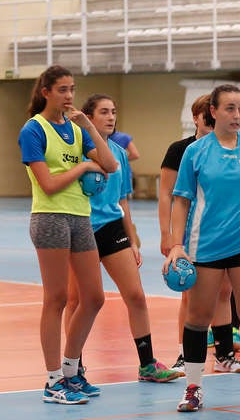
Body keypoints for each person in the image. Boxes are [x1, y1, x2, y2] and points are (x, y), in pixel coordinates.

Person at [163, 84, 240, 413]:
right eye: (230, 108)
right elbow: (181, 200)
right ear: (213, 112)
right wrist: (176, 244)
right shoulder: (196, 152)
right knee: (198, 317)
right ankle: (193, 389)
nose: (237, 115)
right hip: (204, 247)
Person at [17, 65, 118, 404]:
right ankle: (52, 381)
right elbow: (48, 184)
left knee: (94, 297)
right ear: (45, 92)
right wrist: (83, 166)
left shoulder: (76, 129)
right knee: (57, 299)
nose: (69, 96)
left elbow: (111, 164)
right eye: (62, 89)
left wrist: (87, 125)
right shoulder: (33, 130)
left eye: (72, 89)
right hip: (50, 218)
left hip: (80, 217)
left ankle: (71, 370)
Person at [64, 94, 181, 383]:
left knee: (136, 296)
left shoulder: (119, 153)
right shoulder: (76, 150)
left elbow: (122, 200)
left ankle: (147, 364)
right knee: (77, 301)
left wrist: (132, 239)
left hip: (112, 229)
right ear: (88, 118)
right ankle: (74, 365)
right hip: (81, 229)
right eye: (104, 112)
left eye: (113, 112)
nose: (111, 117)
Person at [158, 94, 240, 376]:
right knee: (191, 295)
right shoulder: (182, 150)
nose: (212, 124)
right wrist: (167, 234)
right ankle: (184, 354)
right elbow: (167, 194)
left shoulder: (230, 147)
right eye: (207, 119)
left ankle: (224, 355)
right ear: (196, 118)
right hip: (191, 231)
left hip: (223, 230)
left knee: (224, 291)